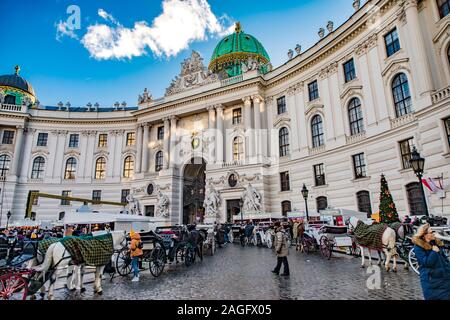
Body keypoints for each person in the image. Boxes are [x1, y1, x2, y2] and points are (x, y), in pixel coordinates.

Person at [412, 223, 450, 300]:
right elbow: (427, 263)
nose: (433, 234)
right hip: (432, 282)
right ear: (424, 235)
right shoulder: (418, 247)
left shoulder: (436, 243)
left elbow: (444, 259)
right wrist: (434, 252)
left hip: (445, 279)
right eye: (431, 232)